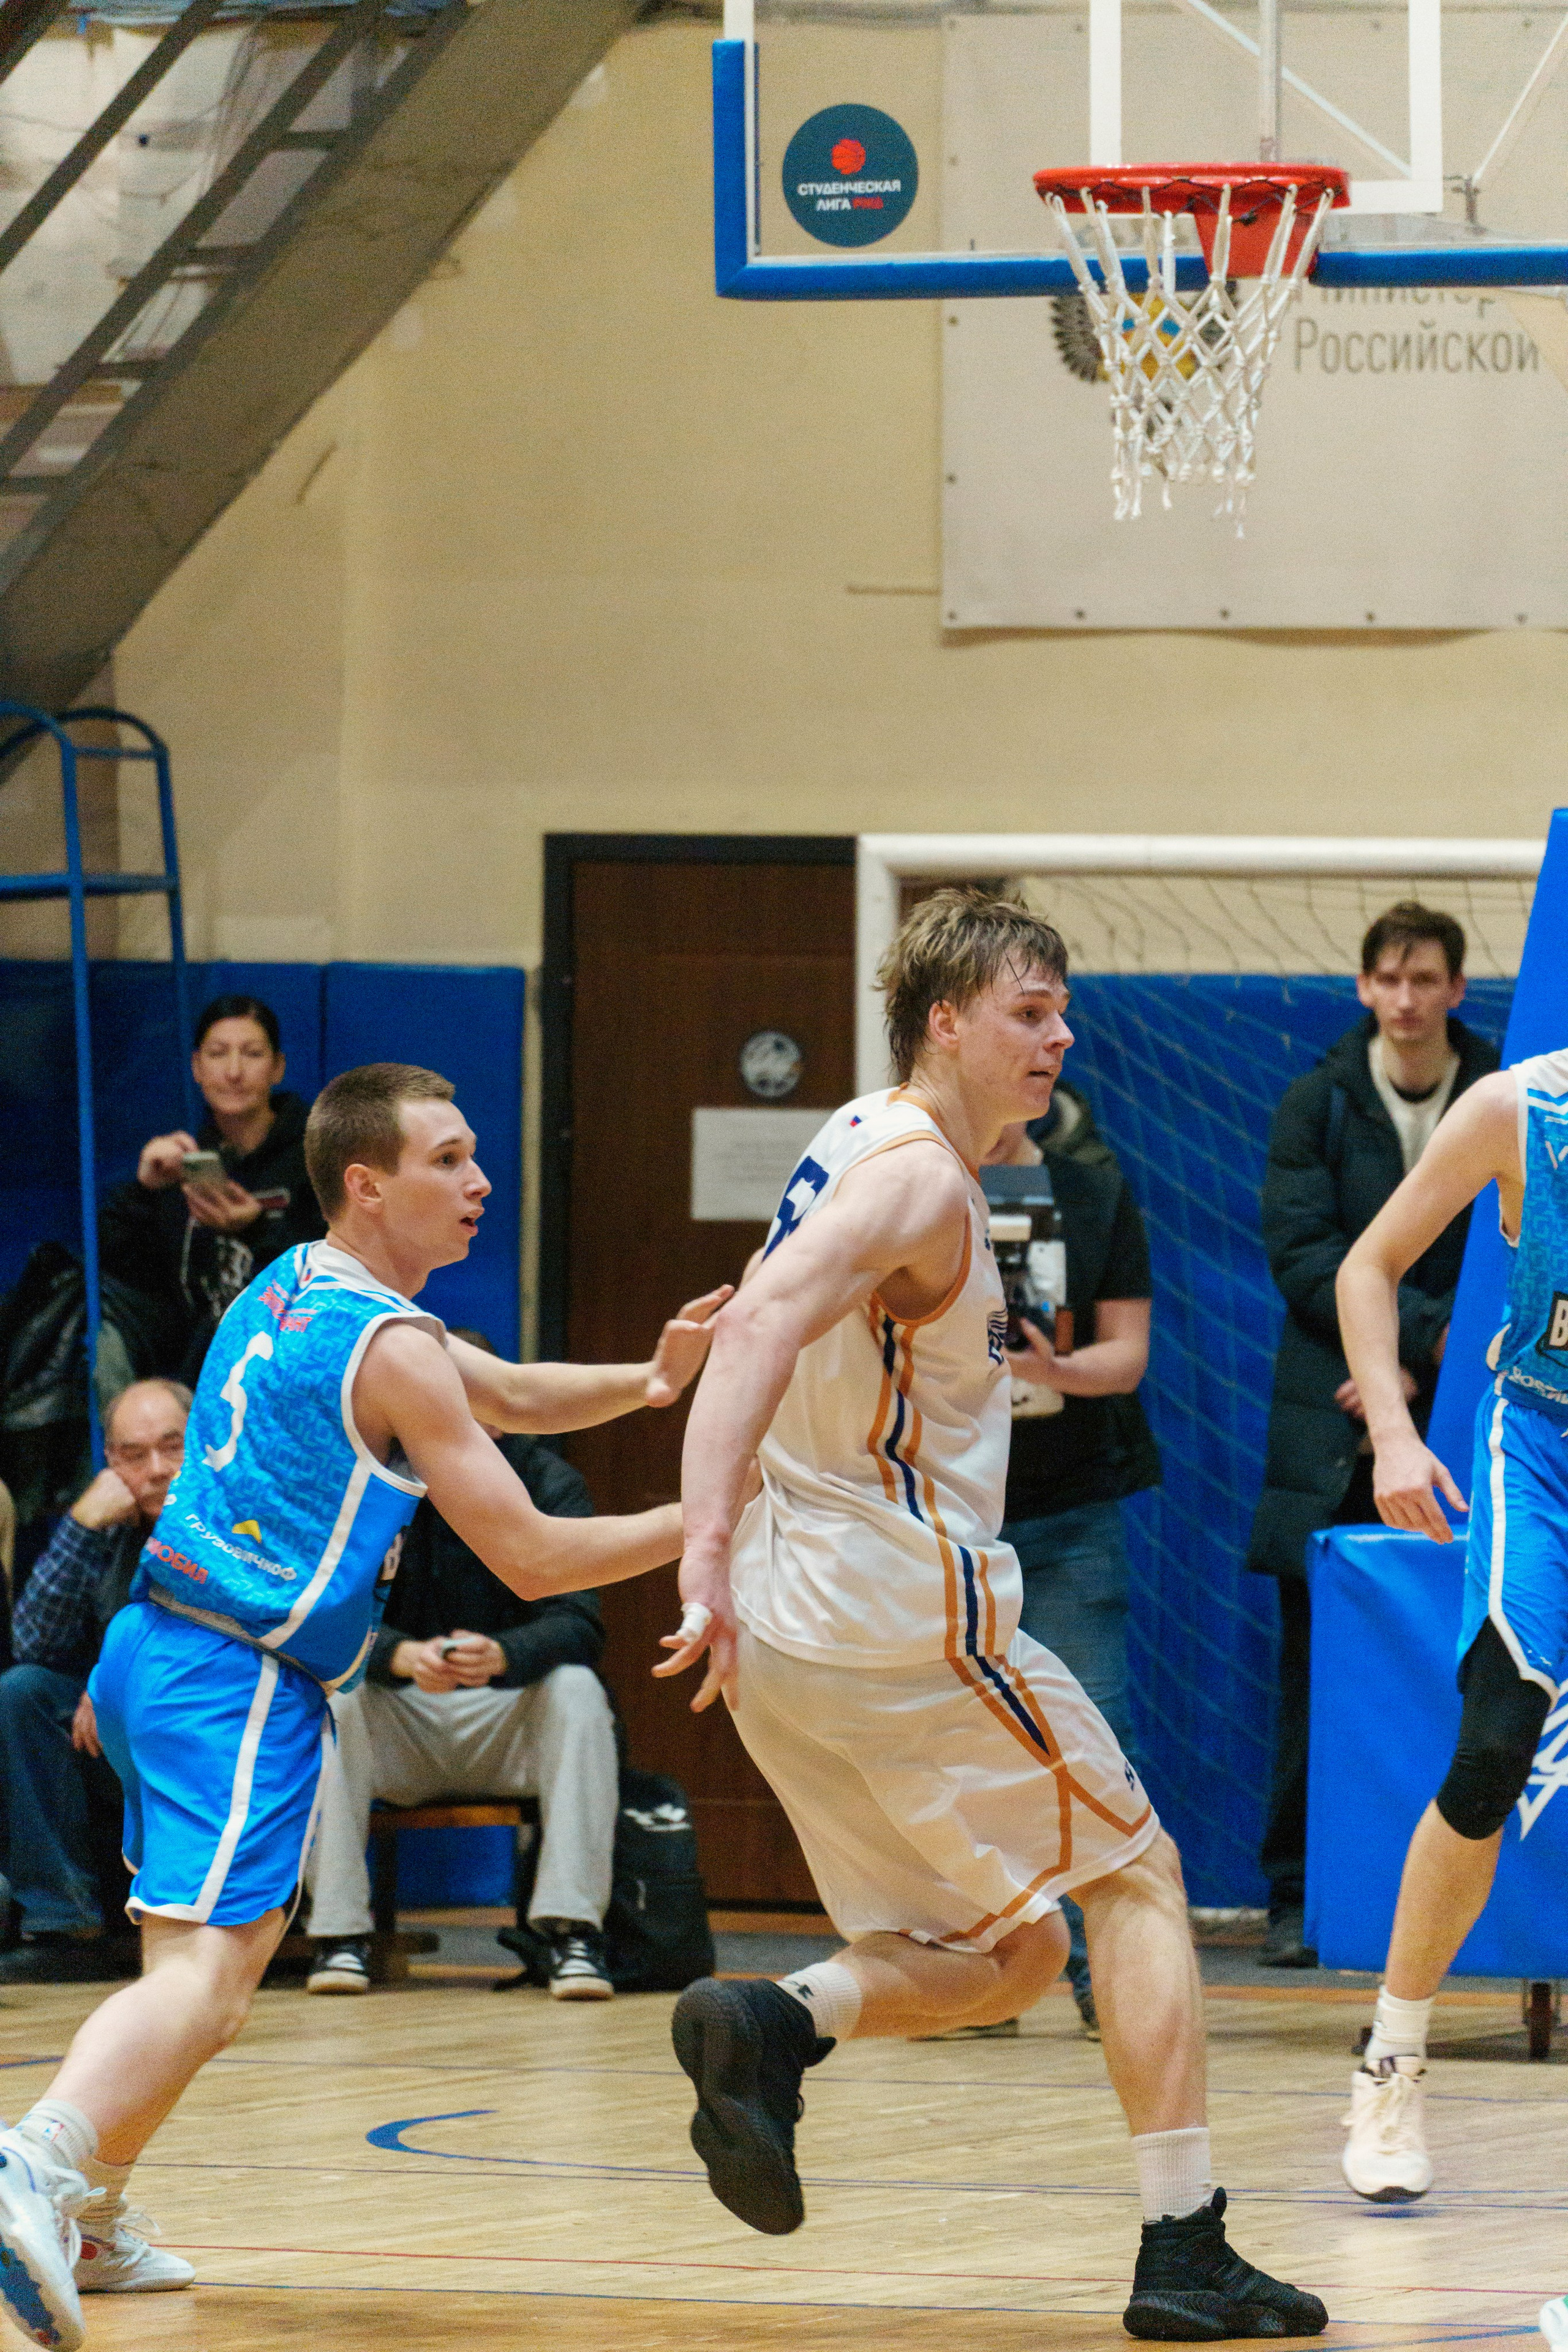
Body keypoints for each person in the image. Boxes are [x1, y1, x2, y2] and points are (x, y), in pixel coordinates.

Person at [658, 889, 1327, 2342]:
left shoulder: (850, 1133)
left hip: (792, 1629)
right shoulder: (915, 1179)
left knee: (1012, 1956)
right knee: (1137, 1873)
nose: (1059, 1038)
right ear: (944, 1021)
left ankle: (776, 2022)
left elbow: (755, 1324)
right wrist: (697, 1544)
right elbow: (757, 1322)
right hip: (893, 1606)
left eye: (1062, 1010)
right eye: (1029, 1012)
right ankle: (1181, 2246)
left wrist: (725, 1561)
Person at [0, 1060, 727, 2352]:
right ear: (366, 1181)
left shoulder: (300, 1280)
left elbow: (499, 1390)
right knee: (215, 1979)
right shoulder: (387, 1345)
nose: (478, 1180)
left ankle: (94, 2210)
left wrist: (650, 1384)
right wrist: (714, 1519)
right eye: (447, 1159)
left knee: (196, 1976)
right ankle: (36, 2165)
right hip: (232, 1675)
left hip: (164, 1652)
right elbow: (534, 1560)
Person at [1334, 1044, 1568, 2263]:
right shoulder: (1515, 1110)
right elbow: (1366, 1266)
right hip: (1537, 1450)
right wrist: (1388, 1430)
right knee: (1489, 1749)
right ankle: (1391, 2055)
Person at [1246, 903, 1498, 1967]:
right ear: (1363, 989)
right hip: (1334, 1422)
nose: (1405, 999)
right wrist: (1374, 1367)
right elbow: (1306, 1249)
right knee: (1316, 1672)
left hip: (1470, 1397)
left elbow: (1500, 1255)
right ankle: (1301, 1900)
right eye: (1387, 979)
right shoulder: (1318, 1099)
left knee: (1475, 1669)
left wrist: (1418, 1348)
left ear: (1454, 990)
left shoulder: (1505, 1091)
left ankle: (1472, 1904)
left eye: (1424, 979)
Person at [304, 1330, 619, 2000]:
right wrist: (399, 1655)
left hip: (506, 1716)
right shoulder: (372, 1480)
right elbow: (324, 1618)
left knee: (577, 1690)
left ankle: (571, 1935)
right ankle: (339, 1936)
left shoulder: (549, 1482)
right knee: (338, 1697)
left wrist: (507, 1654)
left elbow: (581, 1624)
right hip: (402, 1716)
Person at [984, 1096, 1159, 2038]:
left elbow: (1126, 1354)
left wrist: (1052, 1373)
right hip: (943, 1516)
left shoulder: (1090, 1188)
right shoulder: (902, 1175)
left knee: (1095, 1735)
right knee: (953, 1744)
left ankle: (1112, 1981)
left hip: (1070, 1501)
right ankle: (979, 1972)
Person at [0, 1381, 190, 1989]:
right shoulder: (108, 1523)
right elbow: (31, 1640)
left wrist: (110, 1684)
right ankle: (66, 1921)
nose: (156, 1471)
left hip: (206, 1714)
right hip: (113, 1736)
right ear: (111, 1461)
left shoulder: (235, 1517)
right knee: (23, 1690)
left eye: (173, 1448)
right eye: (134, 1456)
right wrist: (82, 1524)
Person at [98, 995, 326, 1390]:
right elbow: (123, 1270)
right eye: (218, 1054)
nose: (234, 1072)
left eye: (252, 1054)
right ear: (197, 1068)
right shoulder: (188, 1163)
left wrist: (256, 1228)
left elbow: (333, 1278)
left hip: (285, 1352)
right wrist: (145, 1190)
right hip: (191, 1360)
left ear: (278, 1068)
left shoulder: (317, 1156)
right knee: (97, 1343)